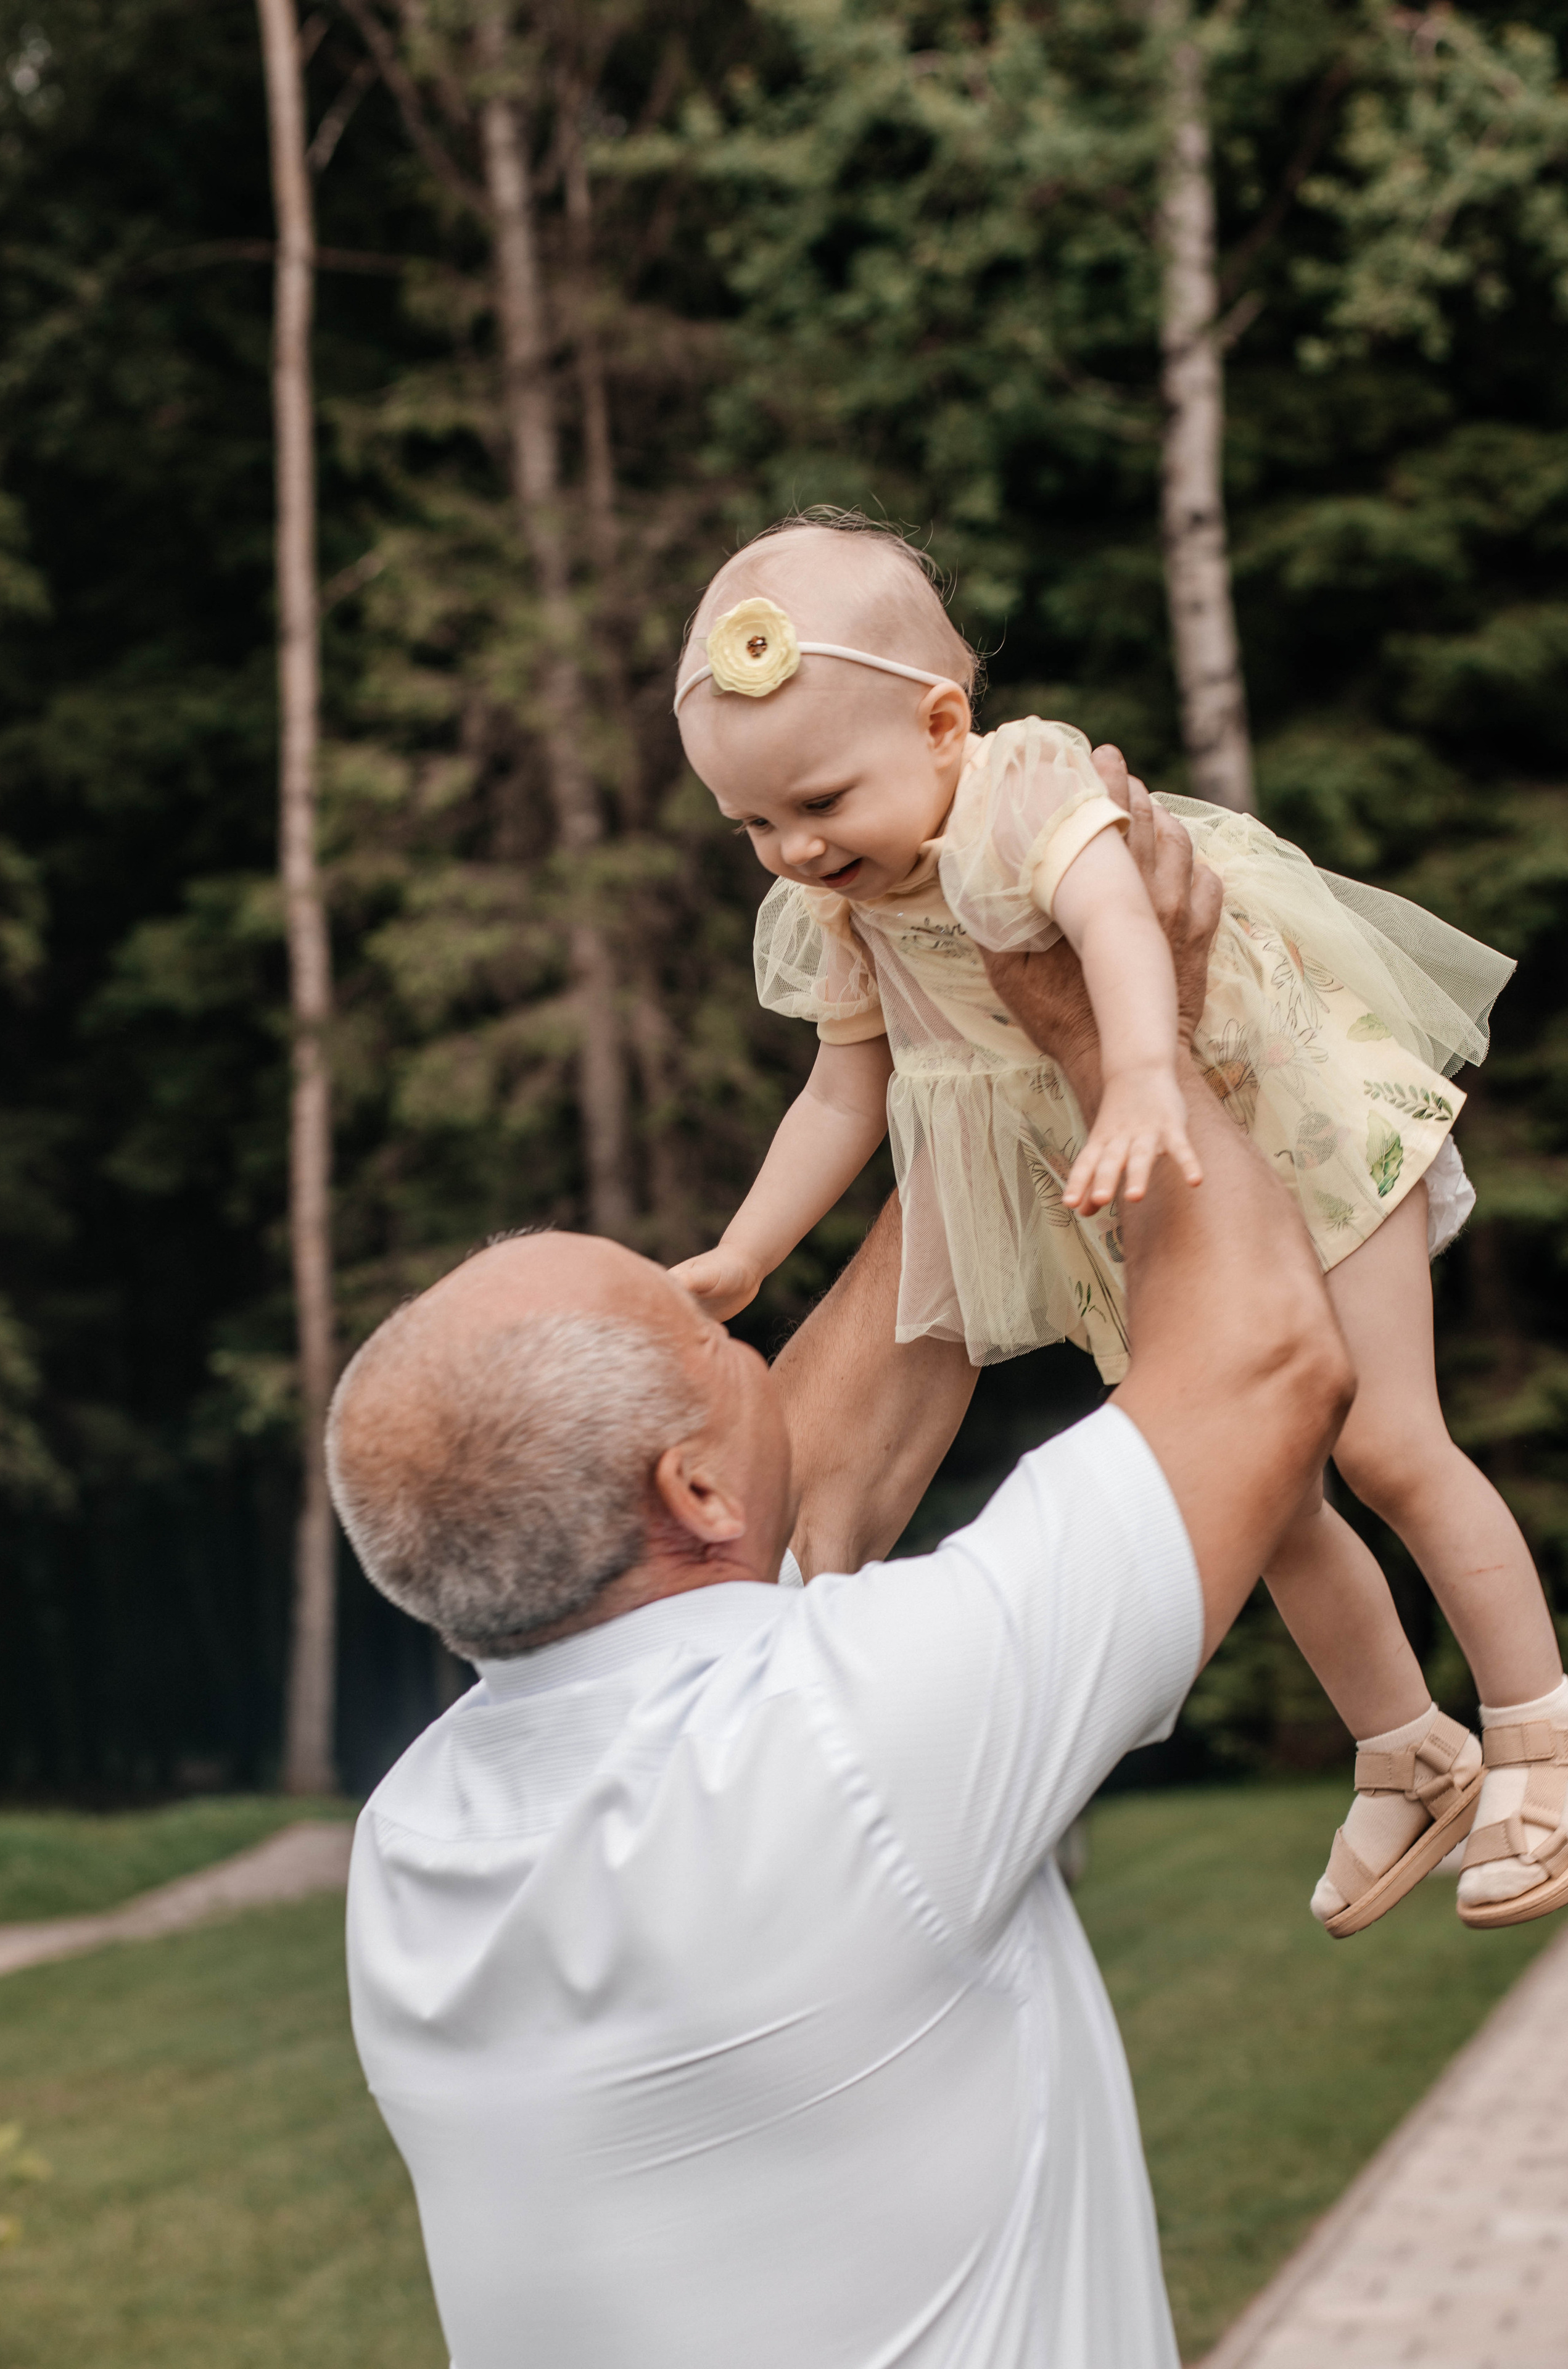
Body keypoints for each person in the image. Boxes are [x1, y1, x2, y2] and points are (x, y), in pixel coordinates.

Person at [334, 788, 1350, 2369]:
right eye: (717, 1339)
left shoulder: (414, 1850)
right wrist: (1105, 1038)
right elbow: (1264, 1366)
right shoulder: (850, 1736)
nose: (749, 1344)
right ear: (686, 1485)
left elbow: (794, 1485)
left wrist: (968, 1056)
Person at [669, 516, 1568, 1940]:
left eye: (818, 801)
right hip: (1126, 1190)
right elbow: (842, 1099)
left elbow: (1118, 925)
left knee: (1388, 1441)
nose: (793, 847)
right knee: (1262, 1492)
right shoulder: (842, 907)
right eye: (754, 827)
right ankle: (1408, 1749)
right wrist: (748, 1251)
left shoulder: (1017, 790)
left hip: (1274, 1120)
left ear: (943, 720)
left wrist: (1143, 1072)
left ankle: (1539, 1730)